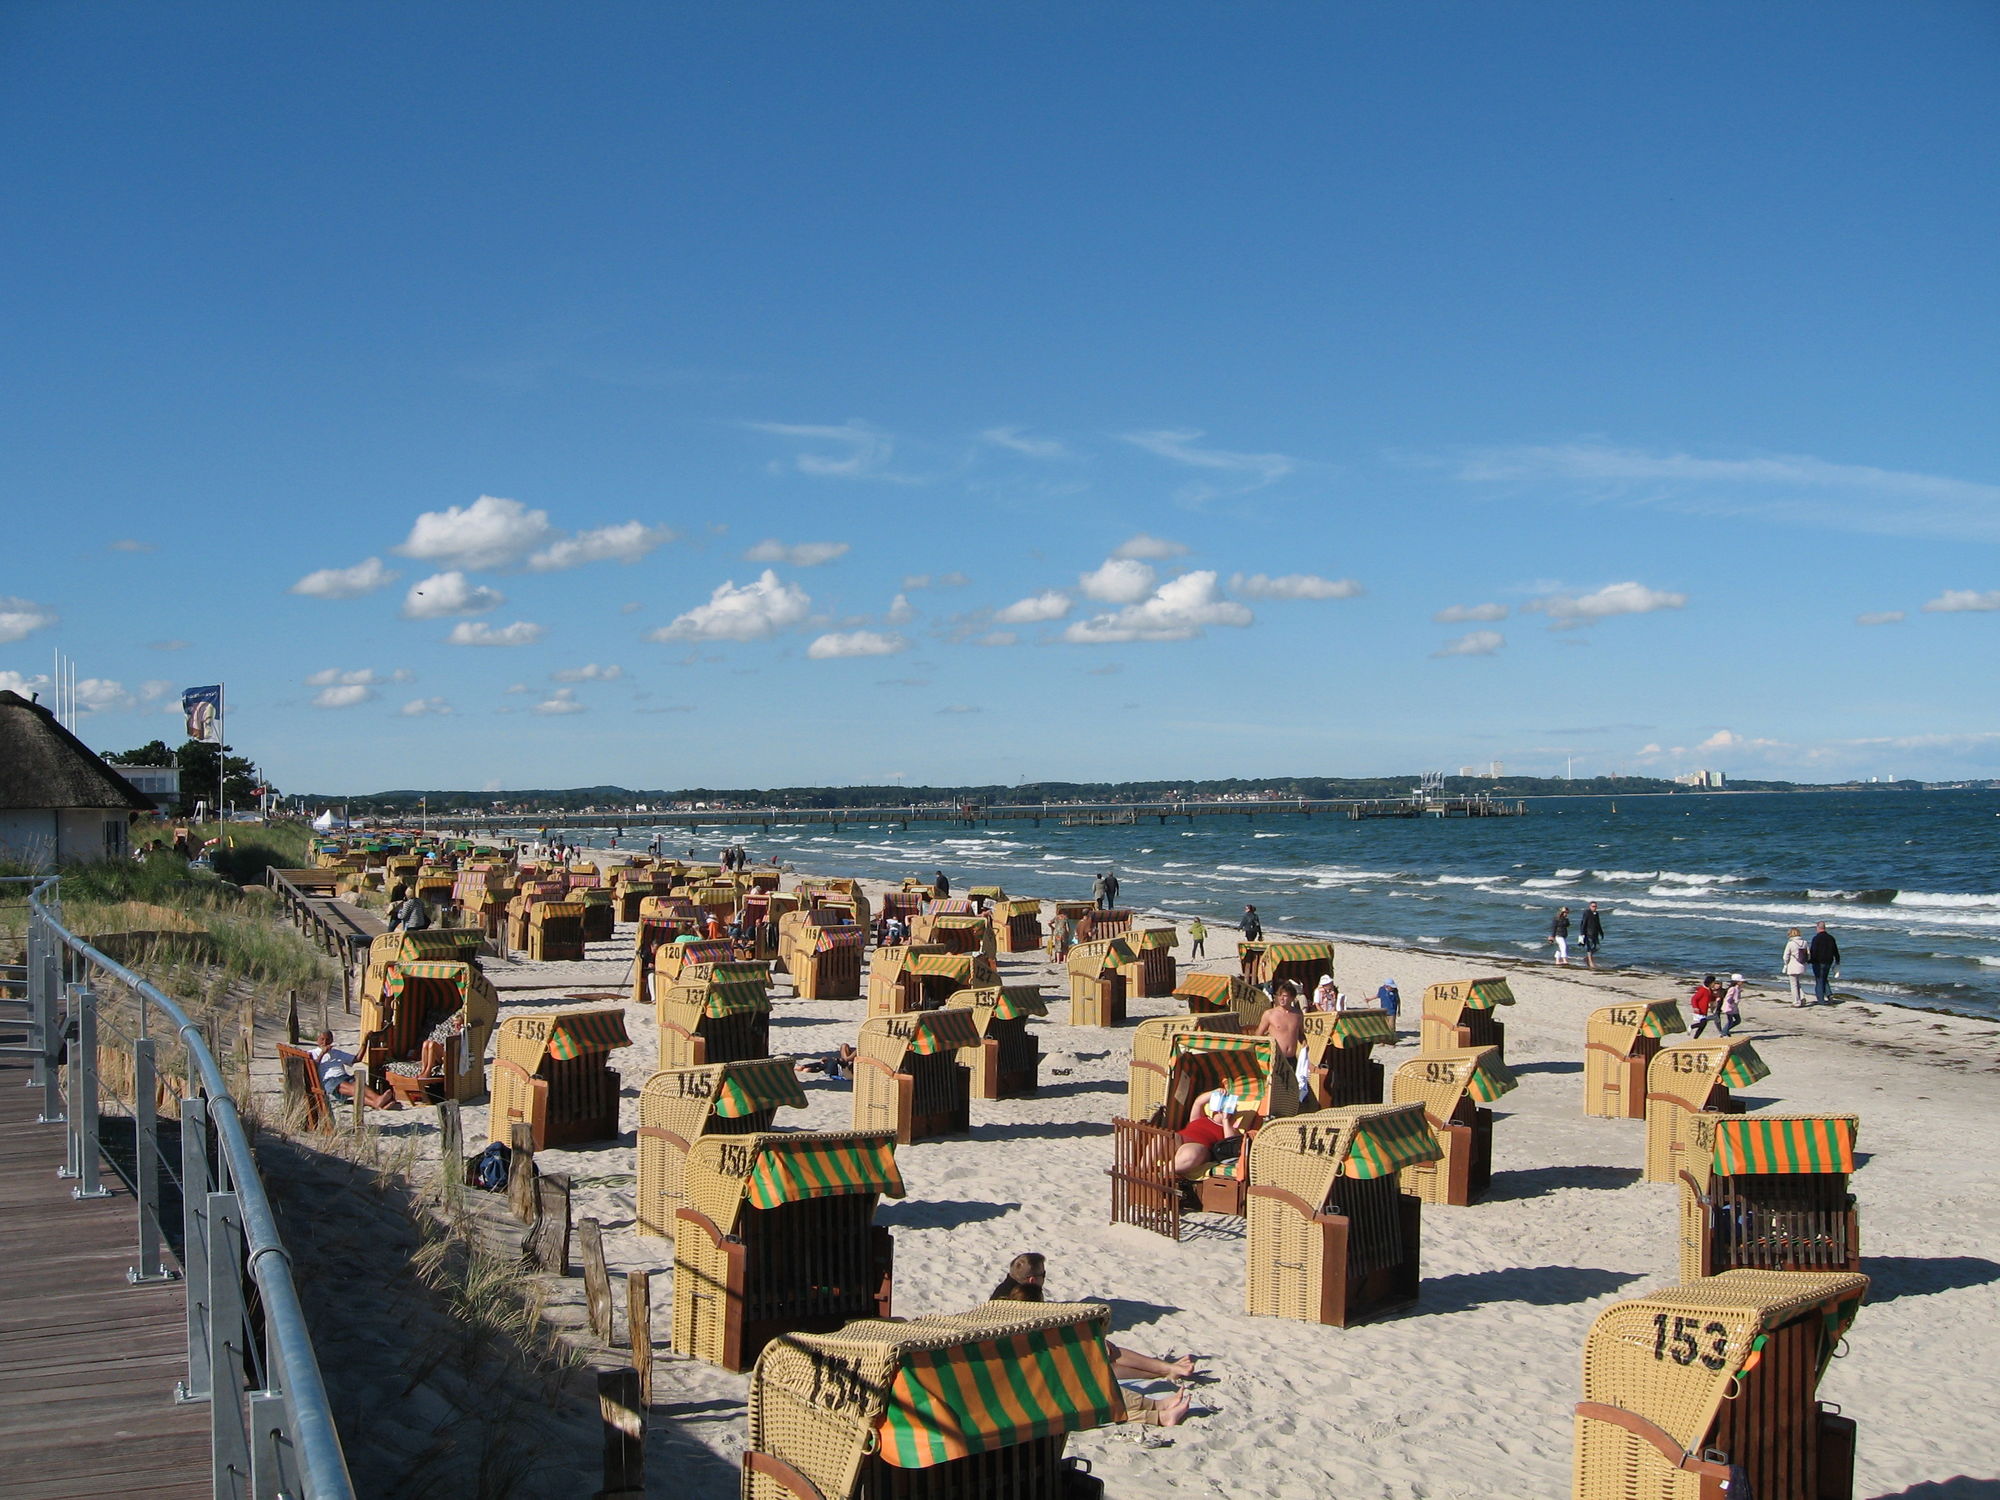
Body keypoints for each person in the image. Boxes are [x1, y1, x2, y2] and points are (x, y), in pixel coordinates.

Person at [988, 1255, 1193, 1426]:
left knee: (1098, 1369)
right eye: (1044, 1275)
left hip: (1037, 1381)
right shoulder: (1024, 1312)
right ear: (1033, 1280)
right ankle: (1158, 1410)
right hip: (1035, 1391)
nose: (1045, 1279)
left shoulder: (1010, 1299)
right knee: (1094, 1390)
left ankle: (1162, 1386)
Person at [1173, 1090, 1247, 1178]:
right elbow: (1198, 1102)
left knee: (1190, 1155)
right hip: (1180, 1137)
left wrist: (1225, 1120)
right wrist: (1215, 1093)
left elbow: (1230, 1144)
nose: (1222, 1110)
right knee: (1162, 1139)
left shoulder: (1230, 1129)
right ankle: (1152, 1163)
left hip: (1198, 1146)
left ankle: (1162, 1171)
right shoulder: (1201, 1117)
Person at [1807, 923, 1840, 1005]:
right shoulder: (1831, 938)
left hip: (1818, 962)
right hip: (1828, 961)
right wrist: (1837, 961)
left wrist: (1810, 960)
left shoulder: (1816, 938)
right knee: (1824, 978)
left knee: (1819, 980)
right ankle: (1829, 995)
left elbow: (1813, 951)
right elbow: (1835, 950)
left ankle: (1821, 1000)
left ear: (1818, 928)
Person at [1781, 927, 1812, 1006]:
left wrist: (1785, 964)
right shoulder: (1804, 942)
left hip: (1793, 965)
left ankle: (1796, 1002)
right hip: (1802, 965)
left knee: (1793, 984)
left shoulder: (1790, 943)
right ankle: (1802, 997)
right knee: (1797, 982)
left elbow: (1785, 956)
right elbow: (1808, 954)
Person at [1579, 902, 1604, 970]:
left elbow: (1598, 923)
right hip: (1588, 933)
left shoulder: (1596, 914)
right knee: (1589, 947)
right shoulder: (1587, 913)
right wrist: (1582, 933)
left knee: (1598, 947)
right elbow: (1583, 923)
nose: (1594, 907)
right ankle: (1590, 962)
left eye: (1595, 906)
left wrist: (1601, 932)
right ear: (1590, 906)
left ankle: (1587, 958)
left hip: (1595, 933)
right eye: (1593, 906)